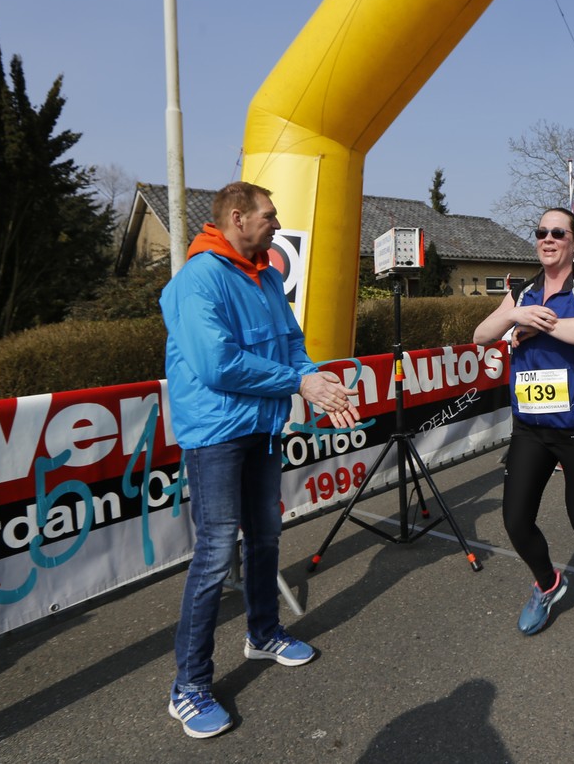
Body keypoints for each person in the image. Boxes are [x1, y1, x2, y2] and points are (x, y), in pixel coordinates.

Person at [160, 182, 360, 739]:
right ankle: (188, 686)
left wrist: (316, 381)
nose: (276, 223)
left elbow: (292, 344)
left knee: (267, 537)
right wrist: (300, 382)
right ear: (237, 217)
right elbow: (217, 364)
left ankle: (264, 634)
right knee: (216, 552)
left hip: (263, 429)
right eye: (269, 216)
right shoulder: (198, 279)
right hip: (217, 435)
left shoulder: (268, 275)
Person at [473, 208, 574, 635]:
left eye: (558, 232)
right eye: (541, 232)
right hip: (531, 427)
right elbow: (481, 335)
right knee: (516, 520)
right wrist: (515, 315)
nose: (548, 239)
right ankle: (547, 583)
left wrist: (541, 325)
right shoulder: (523, 292)